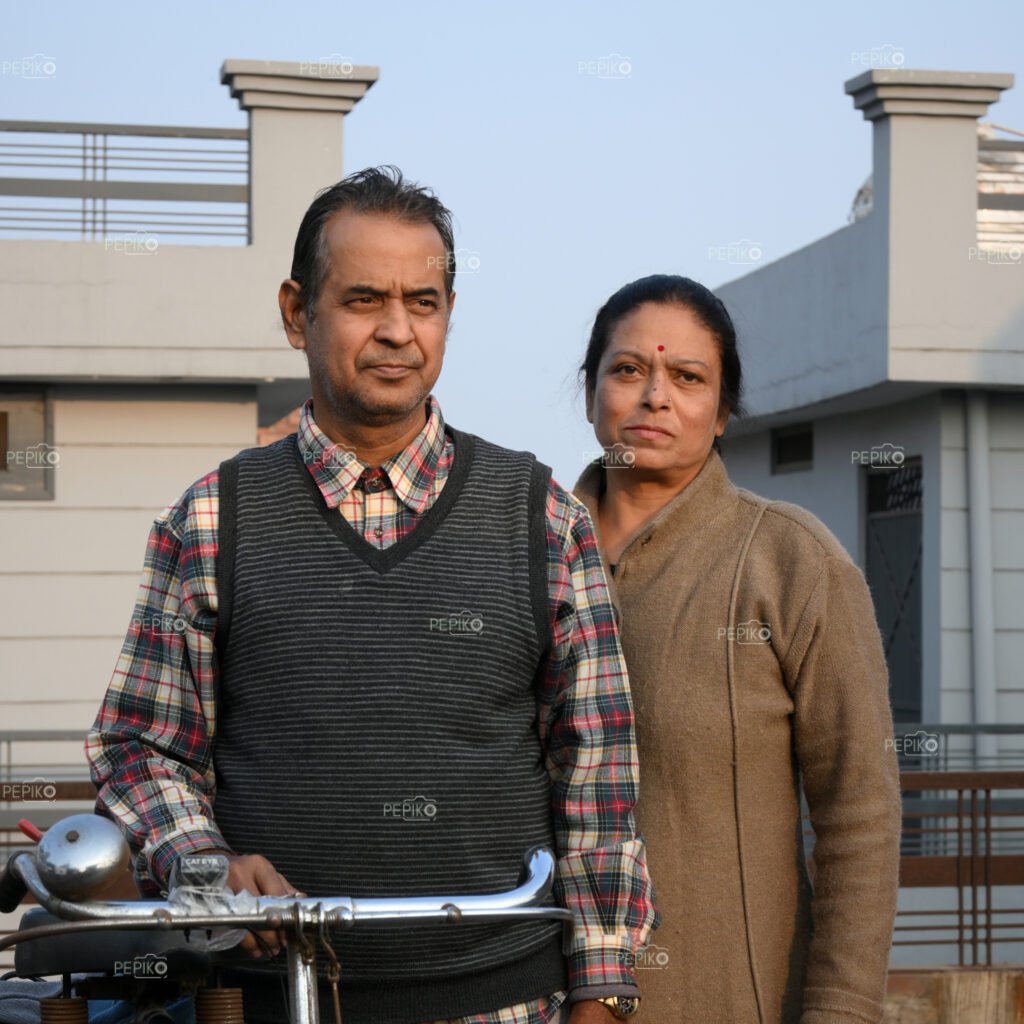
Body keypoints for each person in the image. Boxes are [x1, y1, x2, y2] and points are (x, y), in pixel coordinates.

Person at [86, 167, 656, 1024]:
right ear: (295, 312)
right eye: (362, 300)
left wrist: (602, 994)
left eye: (423, 302)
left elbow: (599, 781)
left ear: (449, 313)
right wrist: (203, 864)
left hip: (504, 1002)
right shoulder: (210, 520)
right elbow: (139, 747)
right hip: (267, 1004)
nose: (397, 330)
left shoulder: (540, 518)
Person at [572, 275, 902, 1023]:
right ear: (590, 391)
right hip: (536, 998)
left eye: (687, 378)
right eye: (628, 370)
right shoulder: (530, 555)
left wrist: (841, 1012)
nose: (655, 396)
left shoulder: (791, 563)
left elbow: (861, 812)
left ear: (721, 414)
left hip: (732, 1000)